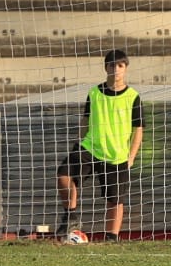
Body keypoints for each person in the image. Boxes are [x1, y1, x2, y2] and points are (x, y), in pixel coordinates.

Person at [56, 48, 142, 241]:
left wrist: (131, 157)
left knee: (115, 200)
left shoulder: (133, 97)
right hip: (90, 147)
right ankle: (71, 215)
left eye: (120, 65)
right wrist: (79, 142)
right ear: (106, 68)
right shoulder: (94, 93)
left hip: (116, 154)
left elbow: (138, 130)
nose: (116, 69)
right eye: (112, 65)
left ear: (125, 68)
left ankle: (112, 237)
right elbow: (85, 120)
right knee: (64, 174)